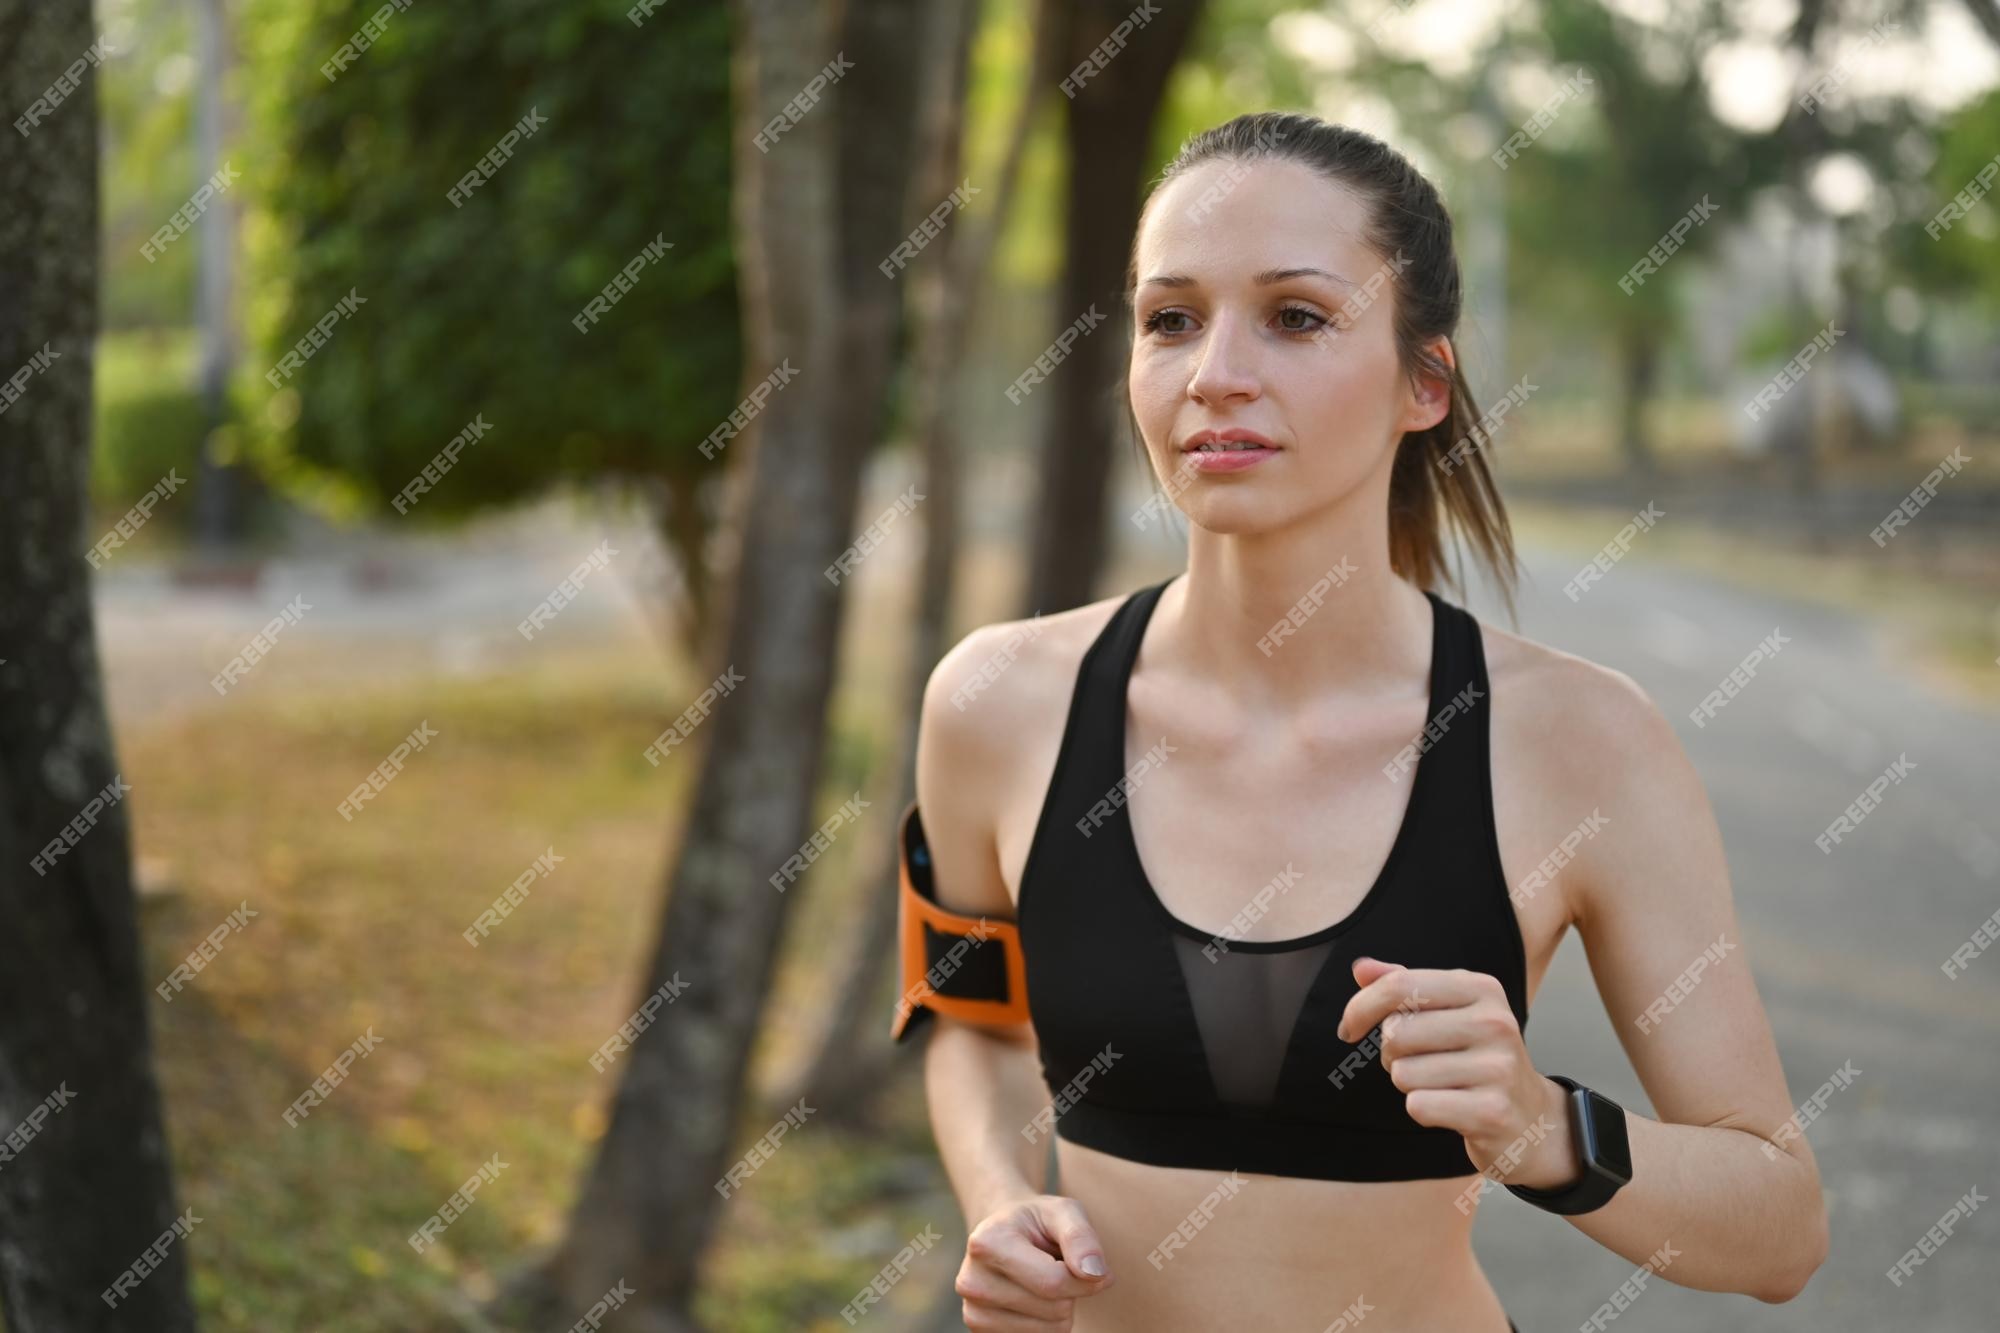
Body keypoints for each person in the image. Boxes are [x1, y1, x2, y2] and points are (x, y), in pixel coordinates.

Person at [894, 111, 1828, 1333]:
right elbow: (969, 1023)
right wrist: (998, 1196)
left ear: (1422, 382)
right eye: (1168, 319)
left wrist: (1542, 1128)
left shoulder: (1581, 740)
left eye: (1295, 317)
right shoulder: (993, 702)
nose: (1213, 371)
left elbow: (1778, 1226)